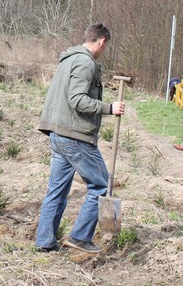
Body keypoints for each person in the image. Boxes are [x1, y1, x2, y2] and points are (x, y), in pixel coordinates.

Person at [34, 23, 125, 254]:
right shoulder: (85, 62)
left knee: (57, 190)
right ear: (102, 42)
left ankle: (45, 241)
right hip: (74, 136)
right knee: (101, 184)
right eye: (105, 47)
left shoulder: (68, 59)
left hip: (58, 133)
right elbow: (77, 99)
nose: (103, 51)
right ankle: (80, 237)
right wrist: (109, 108)